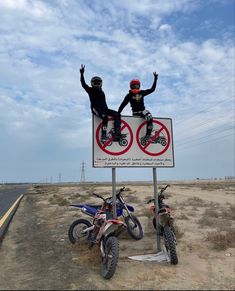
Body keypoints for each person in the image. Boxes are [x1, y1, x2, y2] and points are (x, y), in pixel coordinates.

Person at [80, 64, 121, 143]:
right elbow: (83, 84)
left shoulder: (102, 91)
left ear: (101, 83)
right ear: (92, 84)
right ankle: (103, 136)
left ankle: (117, 132)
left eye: (98, 83)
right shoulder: (90, 90)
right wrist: (82, 74)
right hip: (95, 109)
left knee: (117, 114)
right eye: (95, 83)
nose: (97, 84)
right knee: (105, 118)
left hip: (104, 109)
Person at [118, 72, 158, 141]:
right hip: (135, 113)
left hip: (143, 111)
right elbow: (123, 104)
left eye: (137, 86)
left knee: (149, 117)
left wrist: (155, 79)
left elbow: (152, 90)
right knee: (135, 128)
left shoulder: (142, 92)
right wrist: (118, 113)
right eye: (133, 86)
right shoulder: (129, 95)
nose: (135, 88)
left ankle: (148, 135)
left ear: (139, 86)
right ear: (131, 87)